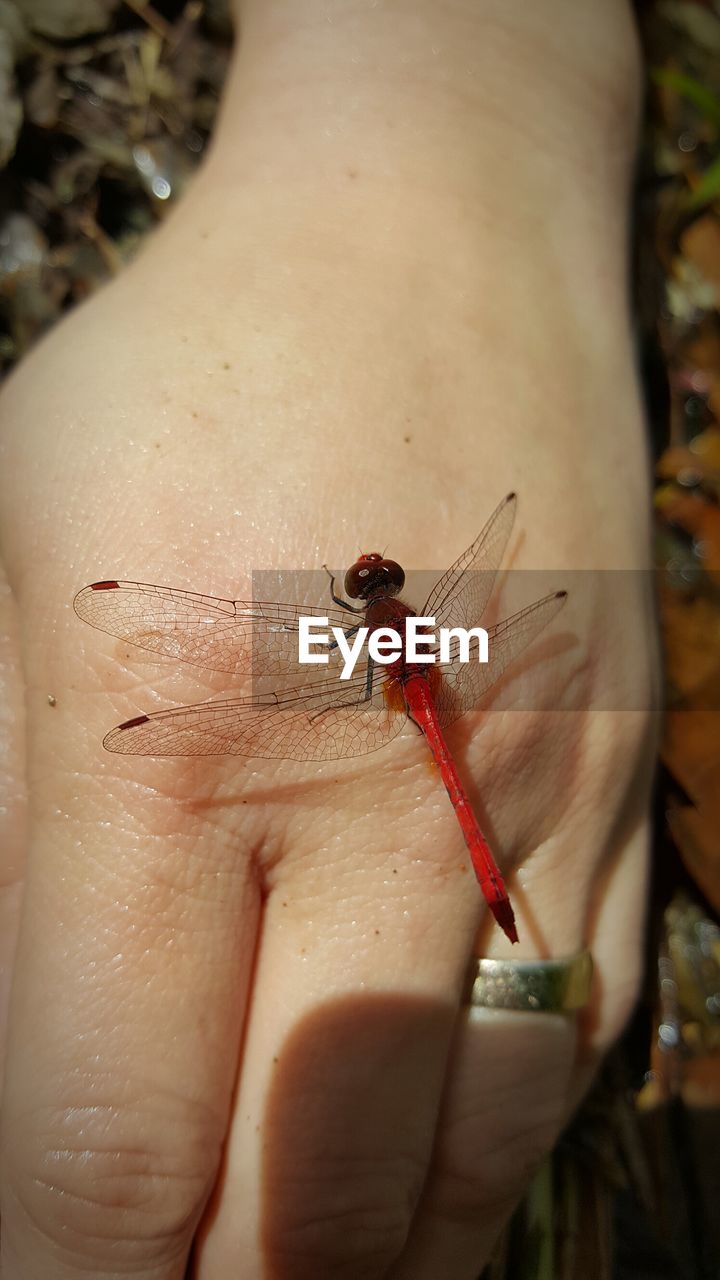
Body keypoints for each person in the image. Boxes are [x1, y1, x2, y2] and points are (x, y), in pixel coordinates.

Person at [0, 1, 658, 1276]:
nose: (366, 580)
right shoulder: (417, 635)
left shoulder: (363, 645)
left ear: (367, 600)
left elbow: (240, 654)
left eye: (365, 579)